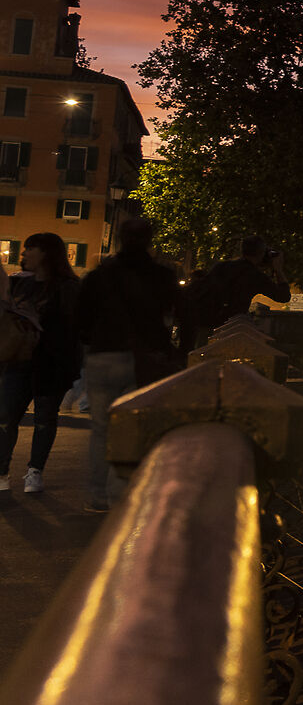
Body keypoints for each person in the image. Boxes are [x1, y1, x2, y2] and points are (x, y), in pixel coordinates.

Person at [72, 216, 182, 514]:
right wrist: (177, 351)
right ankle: (126, 493)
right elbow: (183, 313)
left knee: (101, 429)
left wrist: (91, 340)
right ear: (150, 240)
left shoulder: (99, 276)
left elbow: (80, 317)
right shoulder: (162, 275)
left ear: (119, 238)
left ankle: (98, 495)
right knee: (137, 426)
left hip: (103, 355)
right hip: (146, 358)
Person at [1, 233, 80, 494]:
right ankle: (2, 471)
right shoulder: (18, 283)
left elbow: (74, 328)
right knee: (5, 416)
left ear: (45, 253)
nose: (22, 255)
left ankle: (35, 471)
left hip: (51, 363)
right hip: (18, 359)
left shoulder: (68, 287)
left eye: (28, 249)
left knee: (44, 418)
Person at [177, 236, 292, 353]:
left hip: (204, 323)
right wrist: (278, 270)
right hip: (228, 330)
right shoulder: (254, 275)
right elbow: (283, 296)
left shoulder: (221, 266)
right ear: (261, 253)